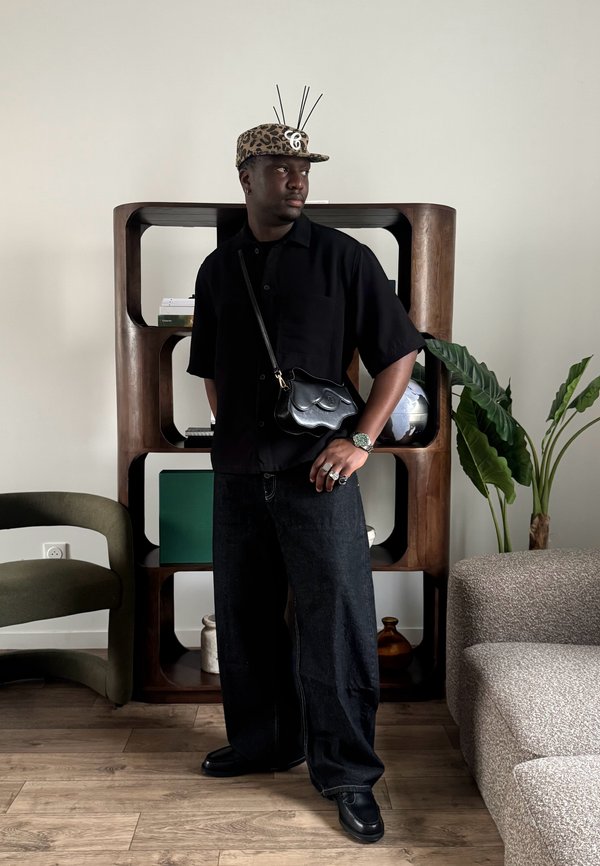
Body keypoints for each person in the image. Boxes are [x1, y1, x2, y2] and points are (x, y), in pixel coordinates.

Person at [187, 117, 425, 844]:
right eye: (279, 166)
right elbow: (210, 370)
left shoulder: (345, 259)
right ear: (245, 176)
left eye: (303, 167)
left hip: (318, 476)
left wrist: (361, 439)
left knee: (338, 627)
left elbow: (399, 355)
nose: (297, 177)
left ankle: (348, 775)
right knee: (247, 618)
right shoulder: (216, 269)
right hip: (237, 476)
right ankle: (267, 743)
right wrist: (233, 441)